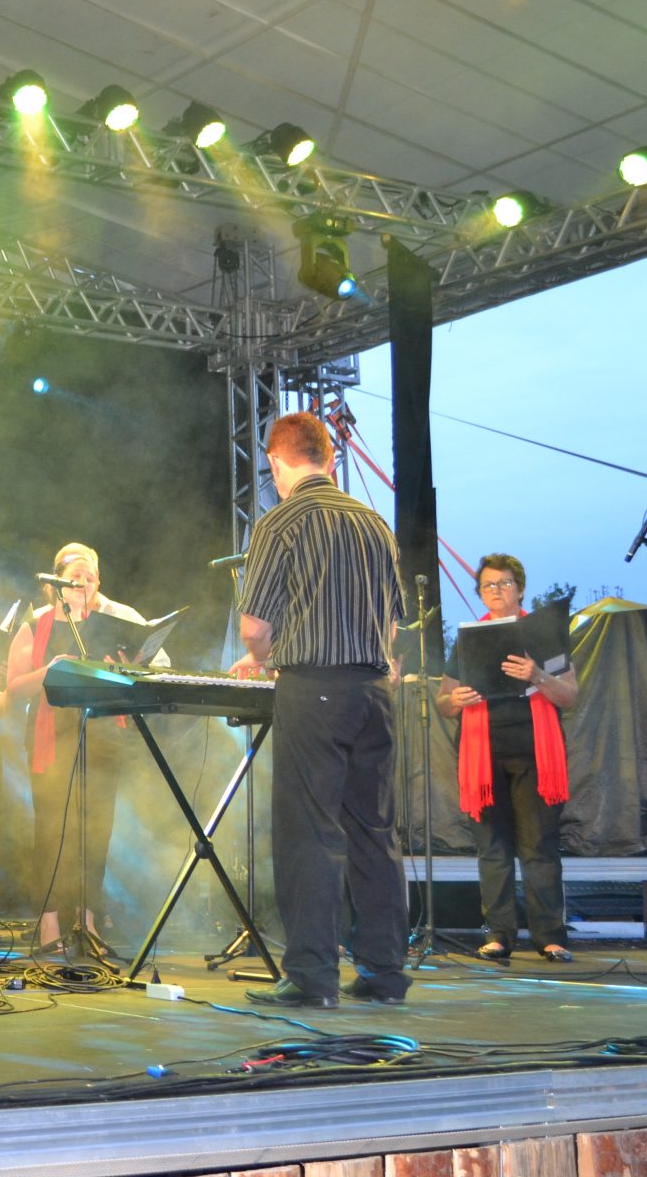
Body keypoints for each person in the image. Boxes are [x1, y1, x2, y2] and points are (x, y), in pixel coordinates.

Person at [230, 411, 407, 1008]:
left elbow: (255, 628)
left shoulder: (281, 521)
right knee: (374, 832)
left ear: (276, 462)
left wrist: (266, 657)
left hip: (314, 690)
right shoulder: (375, 522)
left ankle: (312, 977)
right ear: (329, 458)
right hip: (375, 692)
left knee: (310, 832)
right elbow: (391, 624)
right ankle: (384, 974)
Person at [5, 541, 170, 956]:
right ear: (56, 584)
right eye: (74, 577)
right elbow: (13, 687)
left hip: (101, 732)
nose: (83, 583)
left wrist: (125, 665)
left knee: (96, 831)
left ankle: (87, 920)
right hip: (51, 734)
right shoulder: (35, 623)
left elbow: (145, 671)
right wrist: (50, 669)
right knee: (52, 830)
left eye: (90, 577)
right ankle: (48, 923)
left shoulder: (111, 624)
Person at [437, 554, 578, 962]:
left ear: (520, 588)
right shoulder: (469, 639)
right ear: (480, 593)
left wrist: (537, 675)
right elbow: (443, 702)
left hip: (536, 755)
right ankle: (498, 934)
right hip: (482, 757)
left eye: (504, 583)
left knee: (538, 847)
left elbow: (569, 696)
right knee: (492, 848)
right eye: (488, 585)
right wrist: (456, 699)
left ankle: (549, 936)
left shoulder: (544, 635)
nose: (496, 591)